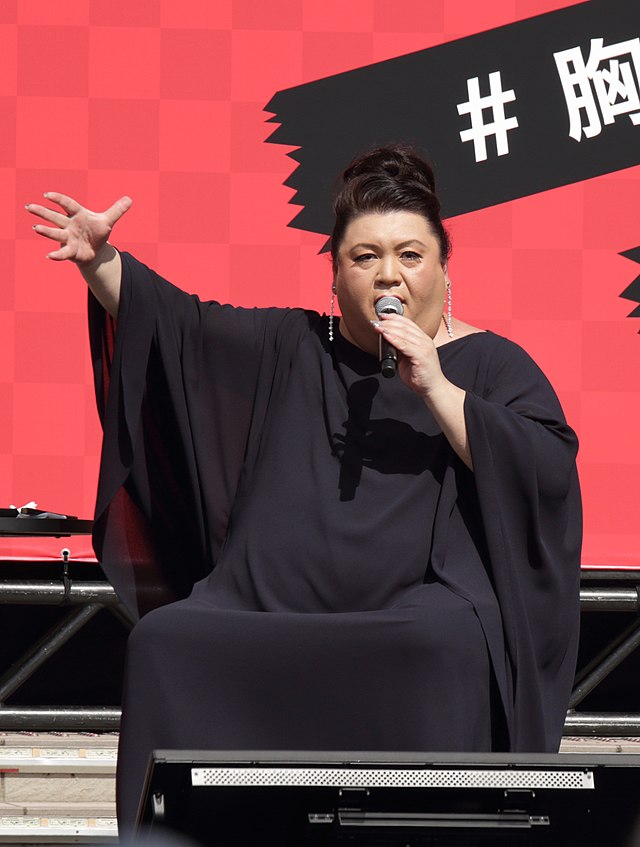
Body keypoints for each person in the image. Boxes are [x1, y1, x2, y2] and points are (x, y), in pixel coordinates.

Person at [26, 146, 582, 833]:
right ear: (336, 275)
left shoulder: (491, 363)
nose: (388, 274)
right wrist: (100, 262)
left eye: (410, 255)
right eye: (365, 256)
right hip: (269, 602)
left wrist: (438, 388)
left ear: (444, 267)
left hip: (417, 605)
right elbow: (179, 327)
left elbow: (545, 469)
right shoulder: (293, 343)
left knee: (439, 643)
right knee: (166, 640)